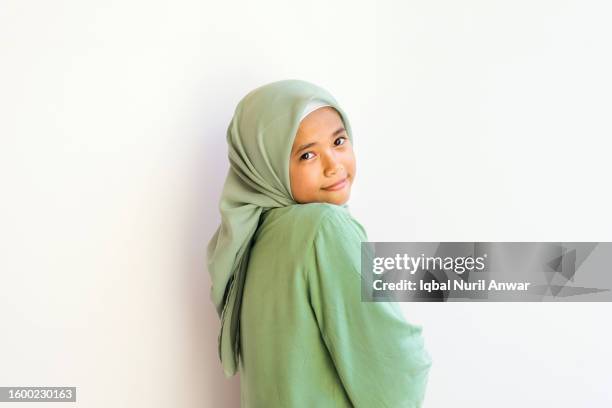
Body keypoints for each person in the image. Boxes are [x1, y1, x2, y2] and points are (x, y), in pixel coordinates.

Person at [207, 79, 432, 407]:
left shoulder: (251, 239)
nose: (333, 164)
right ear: (268, 164)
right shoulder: (324, 226)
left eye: (339, 141)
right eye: (307, 154)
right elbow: (391, 360)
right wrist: (415, 357)